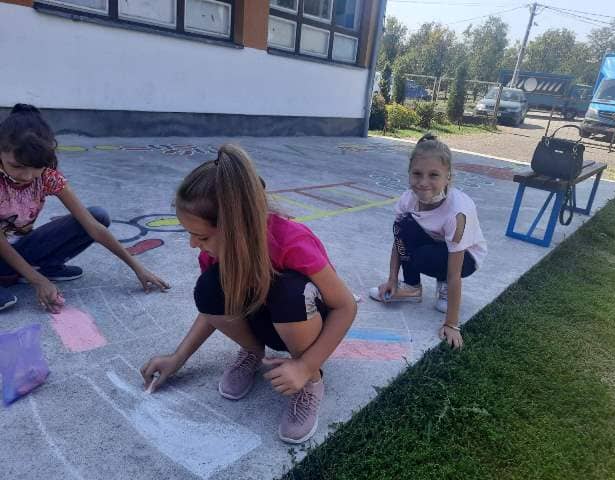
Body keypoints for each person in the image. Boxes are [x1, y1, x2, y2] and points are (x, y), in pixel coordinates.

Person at [141, 144, 357, 444]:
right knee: (209, 288)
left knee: (287, 291)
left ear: (237, 228)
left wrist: (306, 366)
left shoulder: (291, 242)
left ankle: (311, 383)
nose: (193, 244)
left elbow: (346, 307)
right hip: (264, 320)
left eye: (201, 236)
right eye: (190, 234)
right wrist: (178, 358)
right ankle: (253, 351)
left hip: (305, 325)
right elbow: (211, 310)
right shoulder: (215, 254)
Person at [0, 104, 169, 312]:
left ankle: (38, 268)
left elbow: (92, 226)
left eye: (36, 167)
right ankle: (20, 273)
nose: (27, 176)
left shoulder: (47, 178)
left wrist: (138, 268)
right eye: (17, 166)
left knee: (97, 216)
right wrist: (38, 281)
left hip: (17, 250)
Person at [369, 134, 487, 349]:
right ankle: (411, 288)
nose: (423, 182)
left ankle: (444, 287)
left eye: (433, 175)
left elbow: (455, 272)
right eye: (417, 174)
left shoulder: (458, 212)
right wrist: (392, 279)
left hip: (466, 259)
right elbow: (399, 241)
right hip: (434, 244)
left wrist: (451, 323)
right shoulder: (408, 199)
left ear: (448, 177)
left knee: (424, 256)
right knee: (403, 226)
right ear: (409, 173)